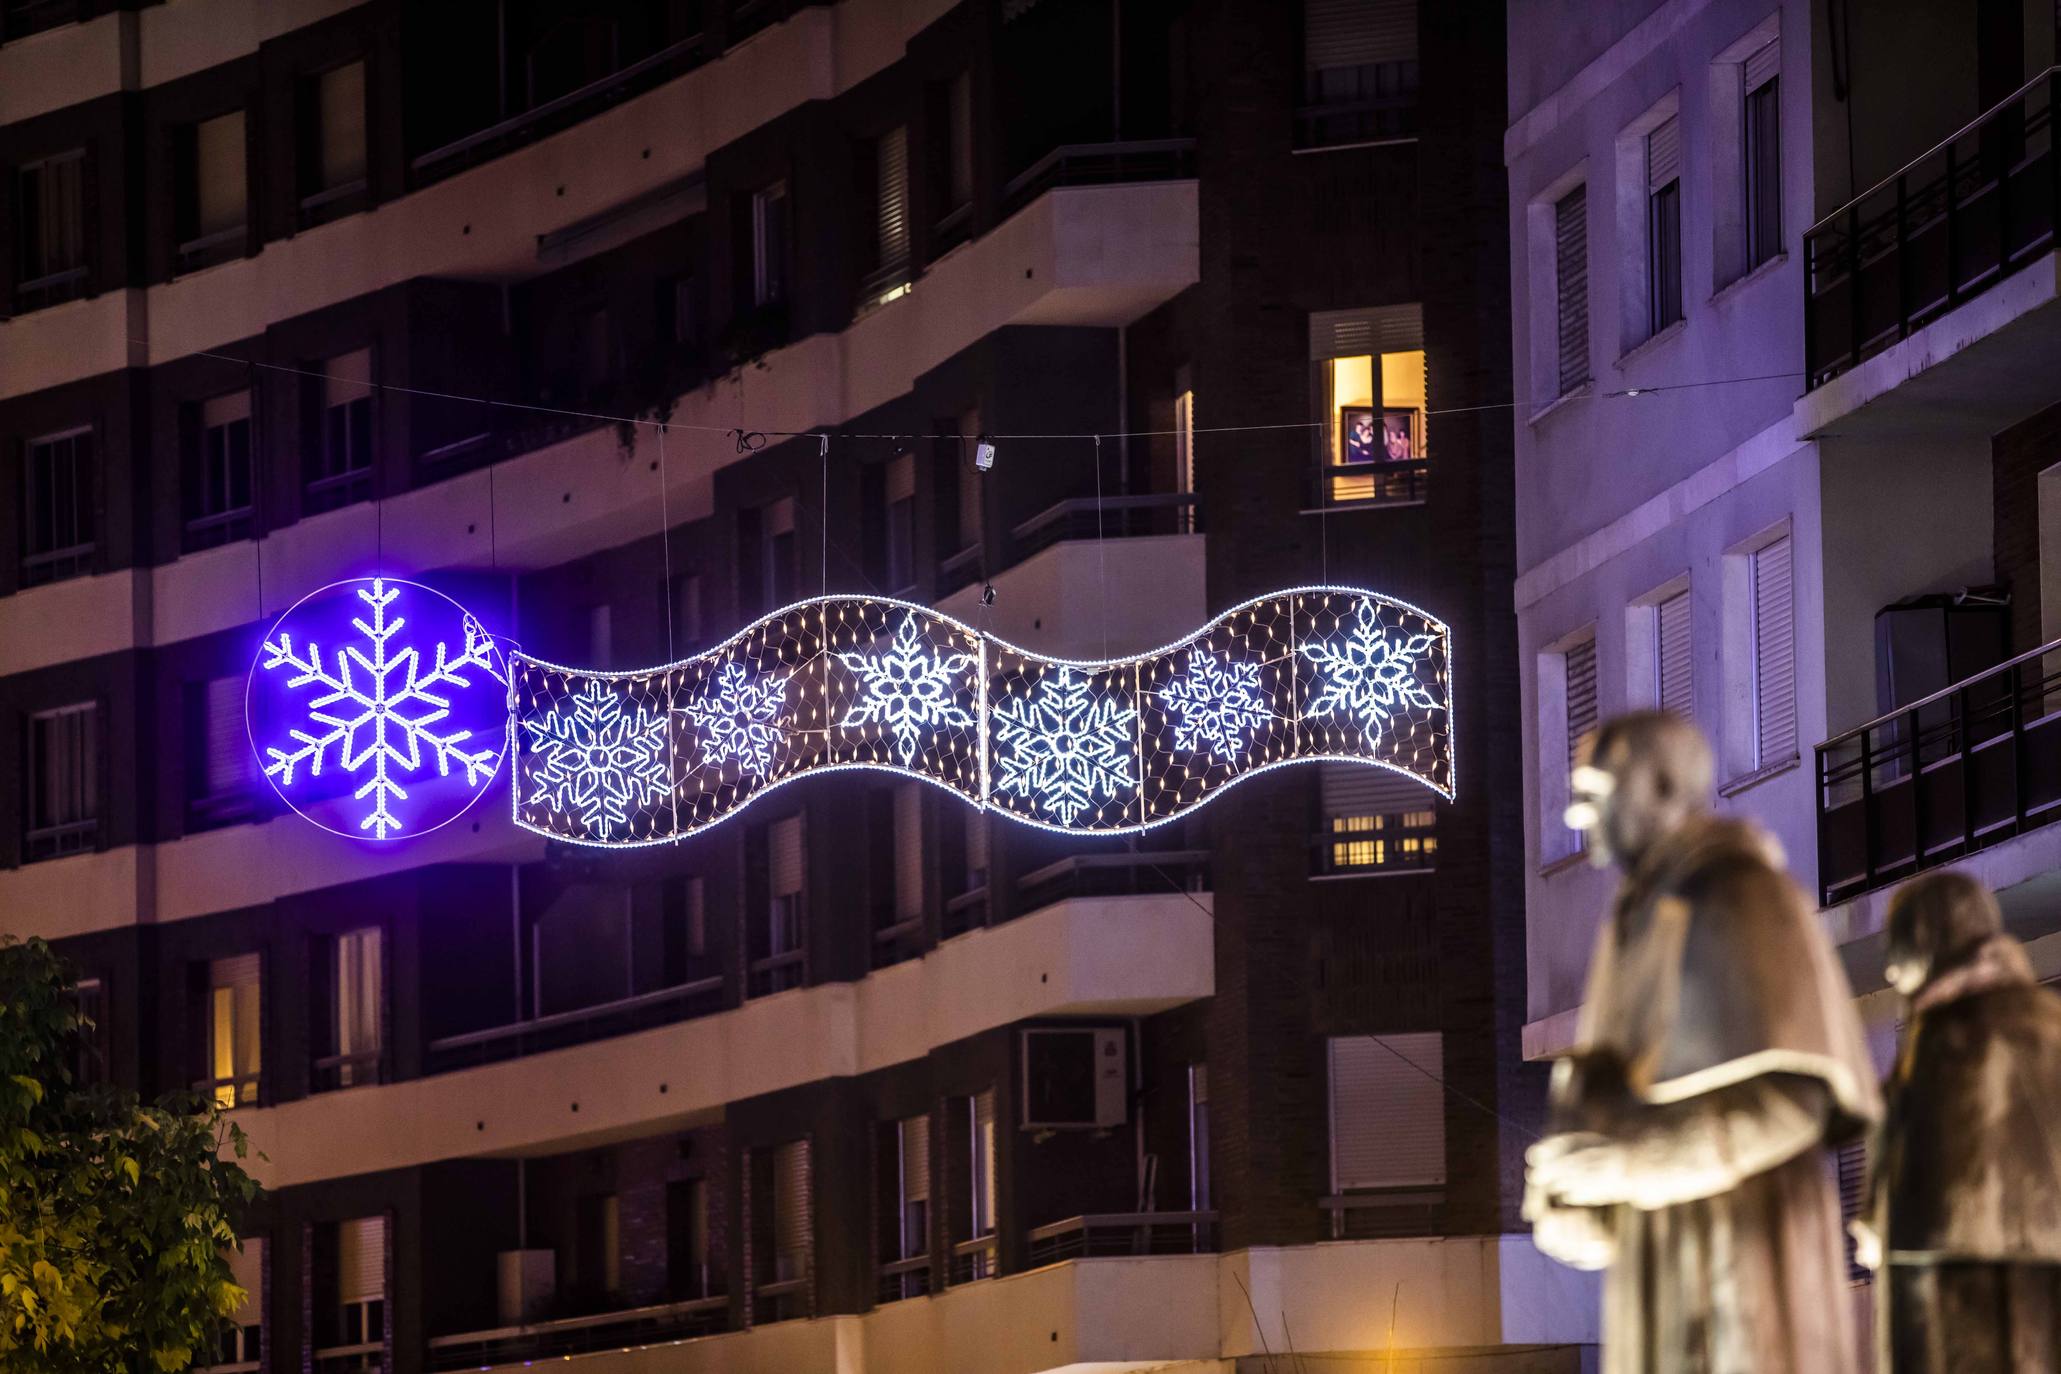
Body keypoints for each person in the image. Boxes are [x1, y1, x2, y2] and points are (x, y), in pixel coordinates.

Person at [1524, 710, 1881, 1374]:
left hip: (1740, 1265)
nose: (1577, 818)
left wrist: (1630, 1164)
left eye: (1595, 794)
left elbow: (1793, 1103)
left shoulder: (1743, 894)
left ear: (1660, 786)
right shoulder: (1631, 921)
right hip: (1660, 1270)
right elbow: (1617, 1097)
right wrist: (1575, 1193)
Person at [1856, 869, 2061, 1373]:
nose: (1891, 972)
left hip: (1968, 1301)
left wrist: (1881, 1225)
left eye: (1897, 948)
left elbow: (1932, 1180)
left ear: (1930, 936)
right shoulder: (2038, 1023)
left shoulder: (1959, 1036)